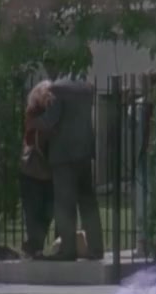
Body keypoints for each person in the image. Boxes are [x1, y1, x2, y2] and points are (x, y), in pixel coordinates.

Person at [34, 63, 104, 261]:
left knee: (65, 205)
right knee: (88, 203)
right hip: (84, 153)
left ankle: (68, 249)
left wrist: (35, 121)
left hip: (63, 156)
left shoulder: (57, 89)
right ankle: (96, 249)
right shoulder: (85, 88)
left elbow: (50, 120)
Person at [20, 80, 55, 258]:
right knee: (34, 212)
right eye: (45, 92)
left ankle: (35, 245)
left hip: (48, 173)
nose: (49, 96)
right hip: (33, 171)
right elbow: (32, 139)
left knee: (47, 212)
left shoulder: (53, 114)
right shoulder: (34, 115)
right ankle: (35, 245)